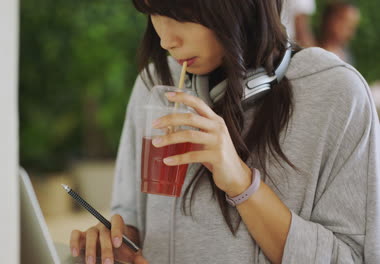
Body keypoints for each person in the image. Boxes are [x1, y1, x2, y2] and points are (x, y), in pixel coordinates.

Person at [70, 0, 380, 263]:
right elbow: (134, 221)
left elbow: (355, 256)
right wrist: (119, 244)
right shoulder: (155, 84)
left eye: (179, 14)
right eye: (153, 12)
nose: (165, 39)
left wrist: (241, 182)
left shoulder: (338, 93)